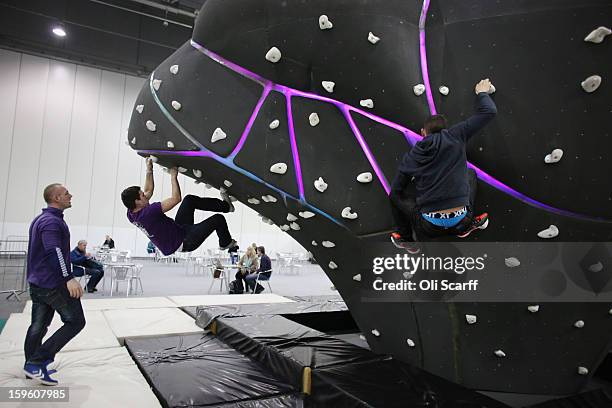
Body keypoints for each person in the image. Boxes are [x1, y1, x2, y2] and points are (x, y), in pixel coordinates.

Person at [390, 79, 497, 249]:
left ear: (423, 133)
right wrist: (482, 93)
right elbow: (489, 111)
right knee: (470, 173)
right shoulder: (456, 135)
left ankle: (406, 239)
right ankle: (466, 227)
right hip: (462, 218)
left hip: (428, 227)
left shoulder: (413, 155)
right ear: (445, 129)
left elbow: (396, 191)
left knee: (396, 196)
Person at [24, 183, 86, 386]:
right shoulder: (51, 222)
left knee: (38, 326)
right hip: (53, 284)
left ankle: (31, 367)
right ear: (57, 198)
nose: (71, 195)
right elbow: (55, 252)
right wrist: (68, 278)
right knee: (76, 321)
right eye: (67, 193)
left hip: (37, 283)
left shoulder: (40, 219)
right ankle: (37, 362)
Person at [121, 157, 239, 257]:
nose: (145, 195)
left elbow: (148, 190)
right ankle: (226, 243)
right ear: (137, 202)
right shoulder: (148, 214)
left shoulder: (131, 213)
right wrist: (173, 176)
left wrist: (149, 169)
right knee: (218, 219)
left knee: (189, 200)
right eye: (142, 196)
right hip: (185, 241)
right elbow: (176, 198)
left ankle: (226, 206)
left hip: (178, 229)